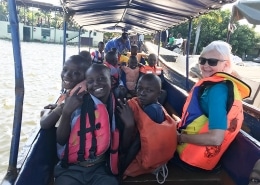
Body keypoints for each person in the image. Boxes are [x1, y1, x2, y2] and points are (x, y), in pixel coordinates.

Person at [174, 40, 251, 171]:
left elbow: (216, 138)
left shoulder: (218, 91)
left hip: (190, 161)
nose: (205, 65)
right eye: (202, 60)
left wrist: (180, 137)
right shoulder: (216, 85)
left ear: (225, 65)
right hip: (195, 157)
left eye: (212, 62)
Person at [54, 64, 119, 185]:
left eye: (101, 79)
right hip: (72, 168)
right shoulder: (77, 104)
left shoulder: (116, 107)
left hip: (100, 168)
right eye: (90, 81)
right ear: (86, 86)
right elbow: (61, 140)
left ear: (111, 80)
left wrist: (129, 126)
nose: (96, 84)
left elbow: (120, 145)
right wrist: (67, 112)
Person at [117, 74, 177, 179]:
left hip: (148, 157)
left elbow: (137, 144)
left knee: (117, 167)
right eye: (139, 88)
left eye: (149, 90)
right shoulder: (148, 105)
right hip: (153, 151)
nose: (142, 93)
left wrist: (122, 170)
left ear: (159, 94)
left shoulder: (152, 110)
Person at [40, 55, 91, 129]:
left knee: (43, 111)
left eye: (76, 73)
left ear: (86, 77)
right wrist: (57, 107)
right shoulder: (78, 91)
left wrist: (57, 109)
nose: (67, 75)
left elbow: (44, 123)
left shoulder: (77, 97)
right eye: (65, 69)